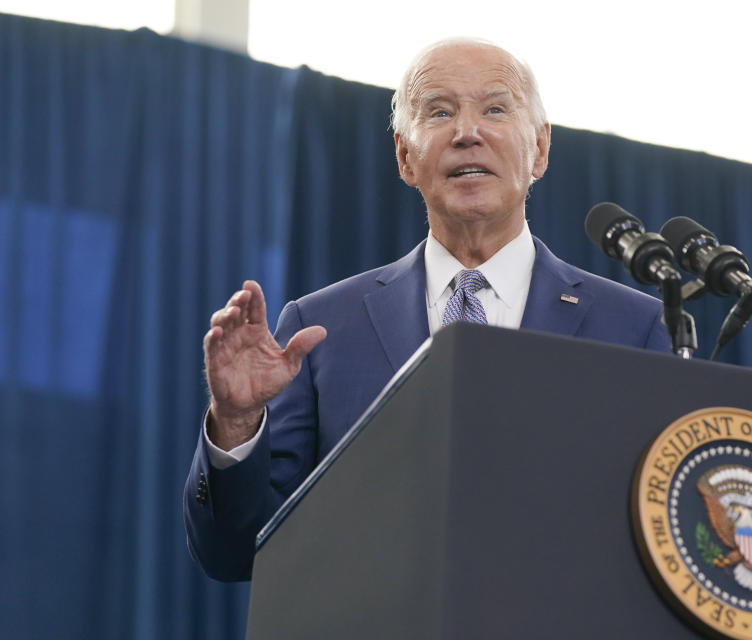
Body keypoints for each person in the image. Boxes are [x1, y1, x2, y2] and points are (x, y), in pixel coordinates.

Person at [184, 38, 672, 582]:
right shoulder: (322, 329)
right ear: (404, 157)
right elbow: (235, 552)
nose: (468, 132)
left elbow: (656, 547)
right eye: (439, 112)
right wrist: (236, 422)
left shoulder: (632, 327)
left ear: (539, 150)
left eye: (494, 108)